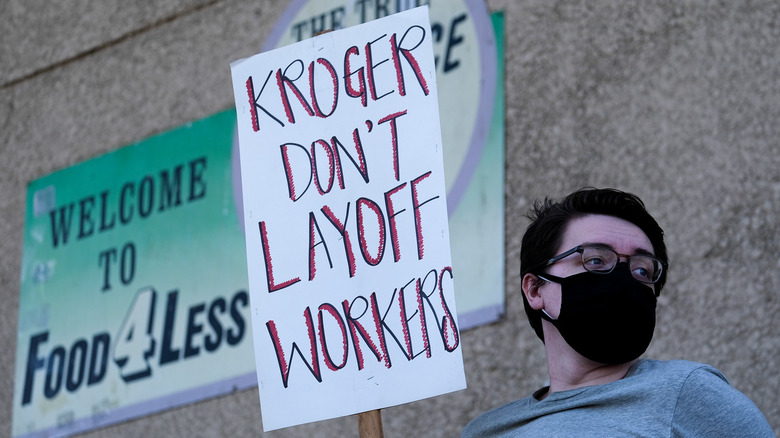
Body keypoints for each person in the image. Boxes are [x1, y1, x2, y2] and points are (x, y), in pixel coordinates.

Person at [462, 188, 775, 437]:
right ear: (534, 290)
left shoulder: (688, 391)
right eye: (595, 261)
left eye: (642, 270)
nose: (623, 280)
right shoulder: (486, 430)